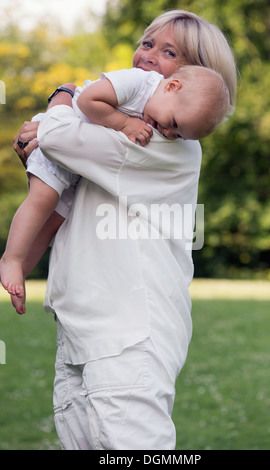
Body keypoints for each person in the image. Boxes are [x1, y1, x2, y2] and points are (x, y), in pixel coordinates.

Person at [10, 10, 237, 450]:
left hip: (127, 337)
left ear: (192, 77)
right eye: (147, 43)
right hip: (85, 331)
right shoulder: (128, 127)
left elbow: (54, 133)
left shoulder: (166, 144)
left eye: (170, 52)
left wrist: (61, 96)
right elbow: (57, 190)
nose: (149, 57)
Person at [0, 64, 230, 313]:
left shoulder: (162, 117)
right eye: (173, 123)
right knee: (42, 199)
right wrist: (124, 124)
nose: (165, 132)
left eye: (178, 135)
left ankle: (18, 275)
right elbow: (89, 99)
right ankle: (11, 259)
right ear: (172, 87)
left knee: (53, 221)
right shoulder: (137, 82)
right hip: (58, 134)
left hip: (76, 161)